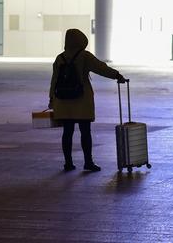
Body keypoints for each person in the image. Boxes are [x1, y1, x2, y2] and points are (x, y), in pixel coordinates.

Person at [49, 29, 126, 172]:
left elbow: (54, 79)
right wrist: (117, 75)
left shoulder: (60, 58)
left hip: (63, 100)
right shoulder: (84, 56)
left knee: (67, 132)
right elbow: (101, 68)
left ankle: (68, 163)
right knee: (85, 131)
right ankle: (88, 162)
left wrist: (51, 98)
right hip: (81, 100)